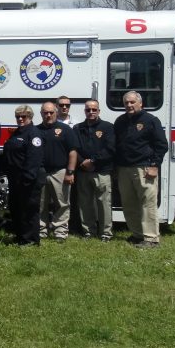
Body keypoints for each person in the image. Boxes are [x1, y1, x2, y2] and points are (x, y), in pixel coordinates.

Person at [114, 90, 168, 248]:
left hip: (144, 168)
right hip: (124, 168)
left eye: (132, 102)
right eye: (126, 103)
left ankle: (151, 238)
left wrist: (154, 165)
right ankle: (137, 235)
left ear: (140, 103)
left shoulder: (150, 120)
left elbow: (161, 145)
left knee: (147, 203)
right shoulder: (120, 121)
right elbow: (116, 145)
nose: (129, 105)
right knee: (129, 203)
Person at [74, 99, 116, 242]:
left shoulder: (108, 127)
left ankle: (106, 233)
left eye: (94, 109)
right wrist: (82, 162)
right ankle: (88, 231)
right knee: (85, 203)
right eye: (88, 110)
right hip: (83, 171)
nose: (91, 112)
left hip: (101, 171)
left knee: (104, 203)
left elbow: (110, 148)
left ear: (99, 111)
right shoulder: (77, 128)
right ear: (84, 111)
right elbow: (74, 148)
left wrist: (93, 161)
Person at [37, 100, 79, 242]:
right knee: (40, 204)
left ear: (56, 112)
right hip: (41, 172)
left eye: (51, 112)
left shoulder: (65, 129)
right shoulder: (36, 130)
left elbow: (73, 152)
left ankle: (60, 231)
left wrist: (70, 172)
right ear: (41, 114)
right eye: (45, 113)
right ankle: (41, 230)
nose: (48, 115)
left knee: (62, 204)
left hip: (60, 172)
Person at [3, 105, 44, 246]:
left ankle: (31, 239)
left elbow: (34, 158)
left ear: (30, 117)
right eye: (18, 116)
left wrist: (27, 179)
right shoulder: (17, 133)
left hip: (28, 179)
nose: (20, 119)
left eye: (23, 116)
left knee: (29, 210)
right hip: (15, 178)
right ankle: (21, 236)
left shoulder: (33, 133)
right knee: (17, 208)